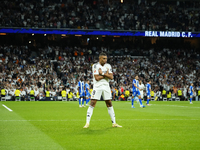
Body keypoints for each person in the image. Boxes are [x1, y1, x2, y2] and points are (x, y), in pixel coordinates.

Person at [83, 52, 122, 128]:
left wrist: (102, 74)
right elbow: (97, 78)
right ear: (100, 58)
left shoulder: (108, 66)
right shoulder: (95, 66)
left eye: (106, 58)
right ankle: (87, 123)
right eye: (104, 58)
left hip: (106, 86)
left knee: (109, 103)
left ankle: (114, 123)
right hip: (97, 86)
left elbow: (111, 77)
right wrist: (106, 75)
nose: (105, 60)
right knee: (92, 103)